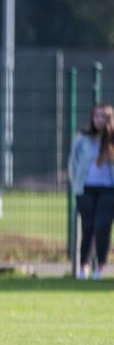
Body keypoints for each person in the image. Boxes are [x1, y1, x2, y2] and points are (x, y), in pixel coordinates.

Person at [68, 103, 114, 280]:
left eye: (103, 116)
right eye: (96, 116)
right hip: (86, 189)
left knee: (102, 226)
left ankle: (100, 268)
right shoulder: (82, 138)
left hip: (108, 191)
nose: (99, 120)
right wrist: (75, 185)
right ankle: (83, 267)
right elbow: (72, 163)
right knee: (87, 228)